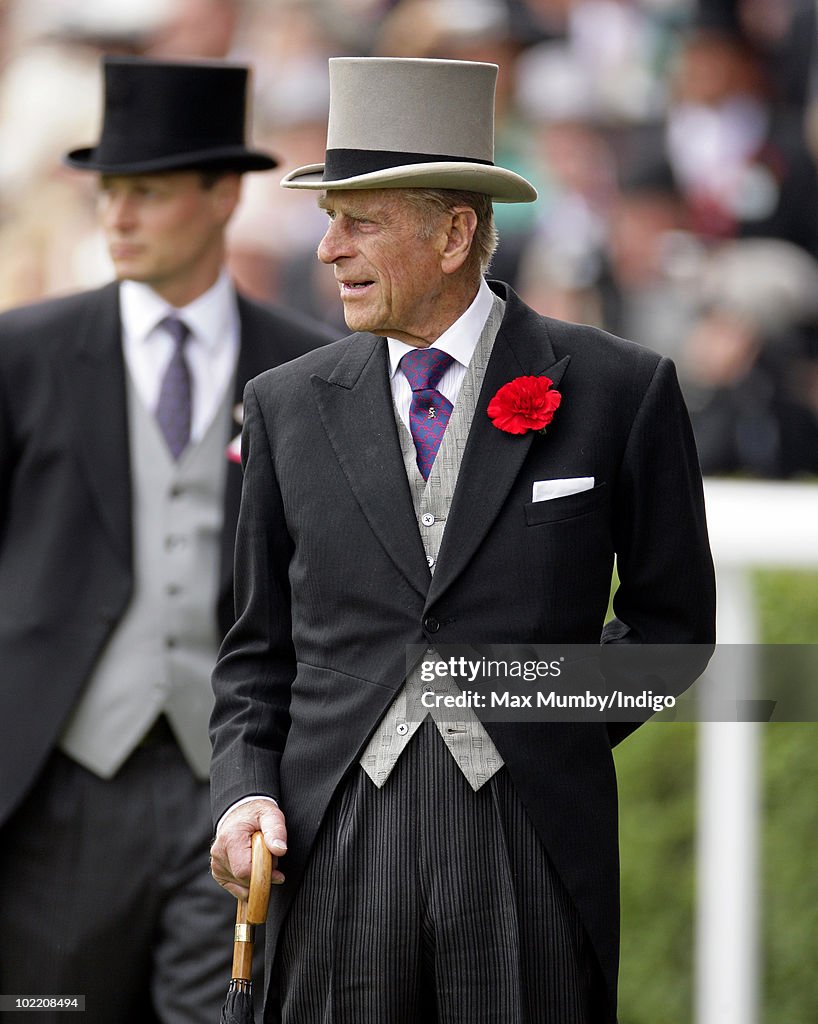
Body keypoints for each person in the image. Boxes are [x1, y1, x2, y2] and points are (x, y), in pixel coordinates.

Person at [209, 57, 716, 1024]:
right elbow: (253, 656)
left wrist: (531, 722)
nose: (327, 249)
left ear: (452, 234)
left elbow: (672, 633)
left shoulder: (621, 389)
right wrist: (244, 796)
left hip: (533, 851)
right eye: (328, 218)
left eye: (359, 220)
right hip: (334, 849)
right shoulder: (283, 407)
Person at [0, 56, 331, 1024]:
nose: (119, 217)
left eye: (147, 191)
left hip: (231, 796)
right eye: (109, 192)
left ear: (224, 194)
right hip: (55, 788)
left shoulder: (308, 369)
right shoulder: (22, 355)